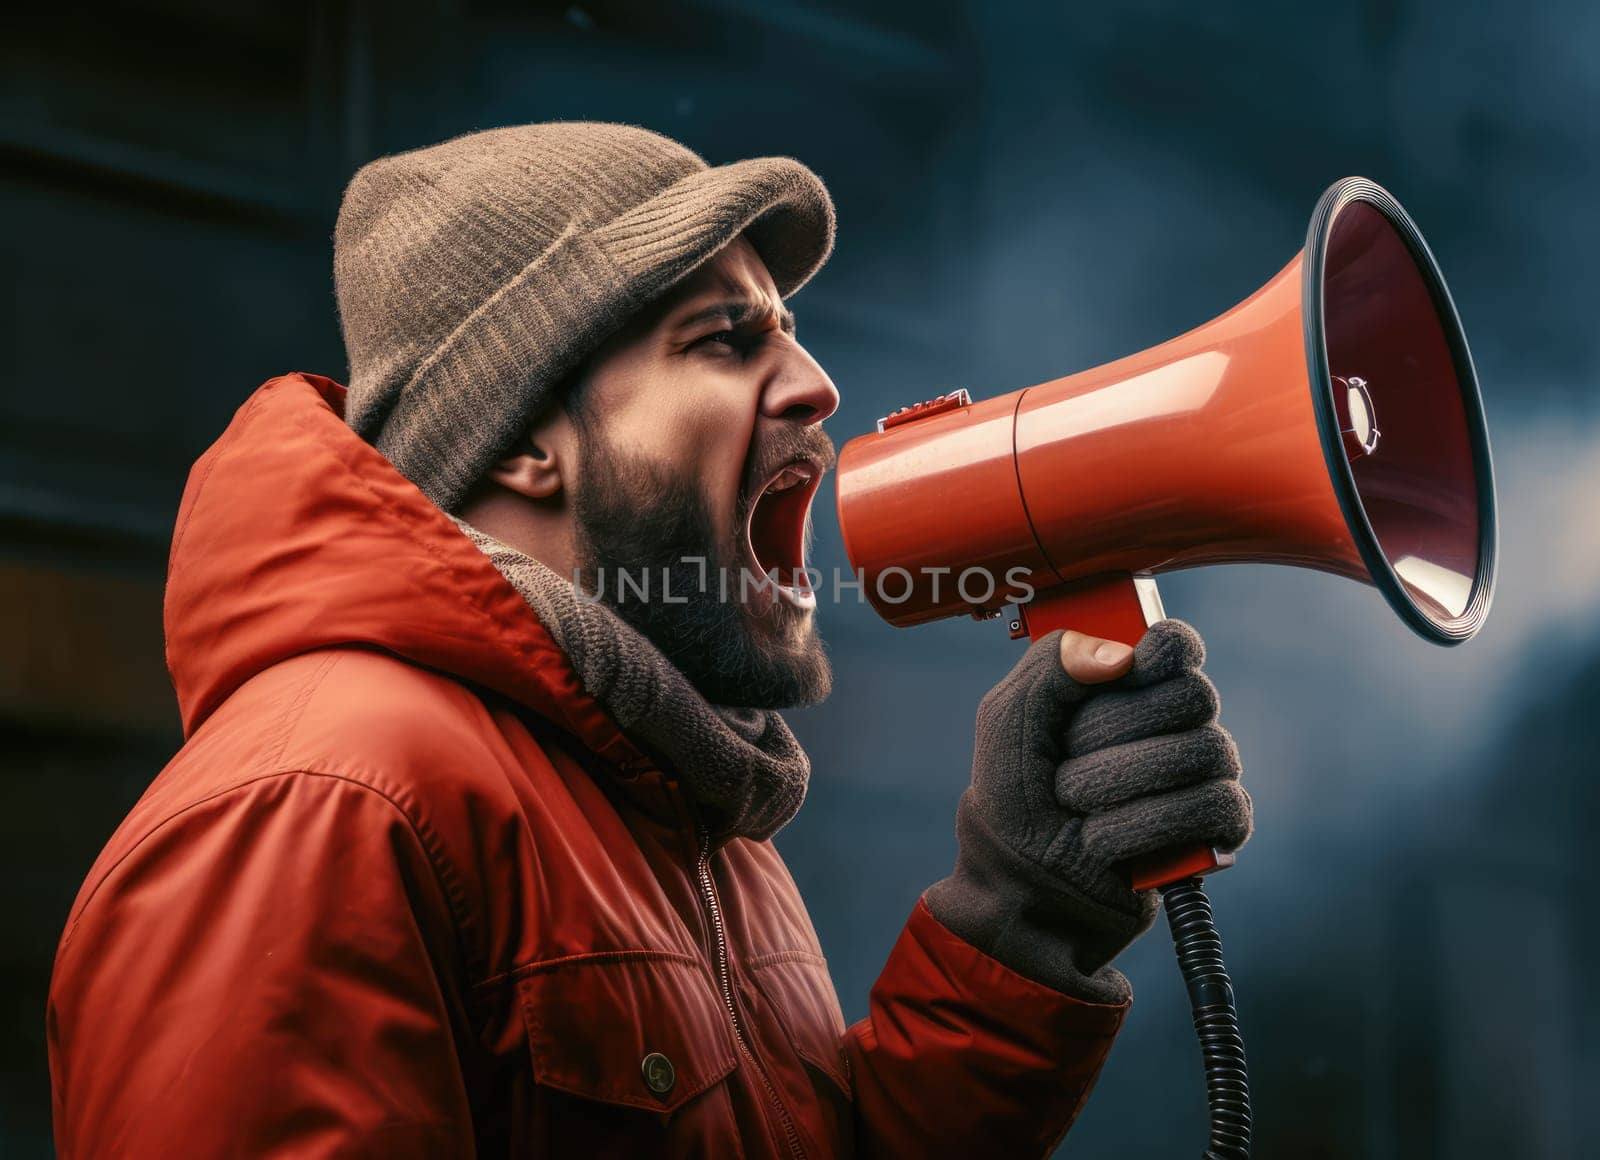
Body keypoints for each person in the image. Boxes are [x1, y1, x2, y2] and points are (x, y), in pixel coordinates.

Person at [46, 123, 1251, 1157]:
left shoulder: (672, 806)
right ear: (526, 439)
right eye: (723, 339)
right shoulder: (323, 806)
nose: (819, 383)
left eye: (789, 328)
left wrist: (1021, 912)